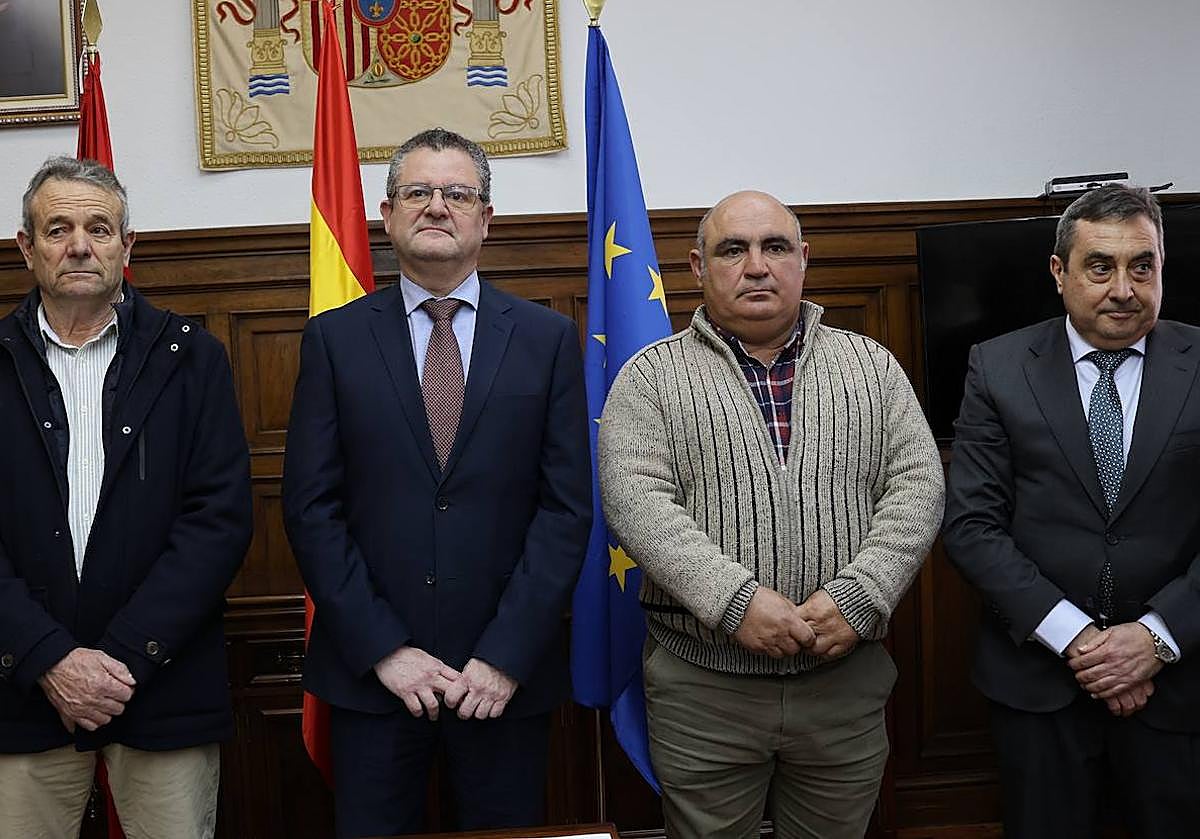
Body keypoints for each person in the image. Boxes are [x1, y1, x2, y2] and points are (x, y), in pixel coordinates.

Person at [598, 190, 945, 839]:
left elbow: (918, 484)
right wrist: (734, 599)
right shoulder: (649, 377)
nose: (756, 265)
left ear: (803, 261)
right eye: (733, 249)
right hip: (704, 691)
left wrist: (862, 594)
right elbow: (635, 498)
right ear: (698, 267)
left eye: (775, 247)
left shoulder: (871, 366)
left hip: (843, 683)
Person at [282, 128, 592, 838]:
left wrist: (503, 657)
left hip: (505, 683)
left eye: (457, 193)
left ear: (487, 217)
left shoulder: (546, 340)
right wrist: (386, 651)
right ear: (386, 215)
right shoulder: (334, 340)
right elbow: (310, 509)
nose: (436, 206)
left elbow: (566, 511)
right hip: (373, 680)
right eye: (417, 192)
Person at [0, 157, 252, 839]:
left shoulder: (192, 357)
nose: (79, 244)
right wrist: (49, 657)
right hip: (20, 688)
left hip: (163, 686)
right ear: (26, 247)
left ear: (127, 245)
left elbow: (219, 521)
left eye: (99, 228)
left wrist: (122, 659)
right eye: (58, 228)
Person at [942, 184, 1200, 837]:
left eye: (1142, 265)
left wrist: (1154, 639)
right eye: (1100, 266)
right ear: (1059, 273)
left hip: (1181, 687)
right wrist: (1082, 640)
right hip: (1039, 687)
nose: (1123, 287)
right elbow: (972, 526)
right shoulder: (998, 367)